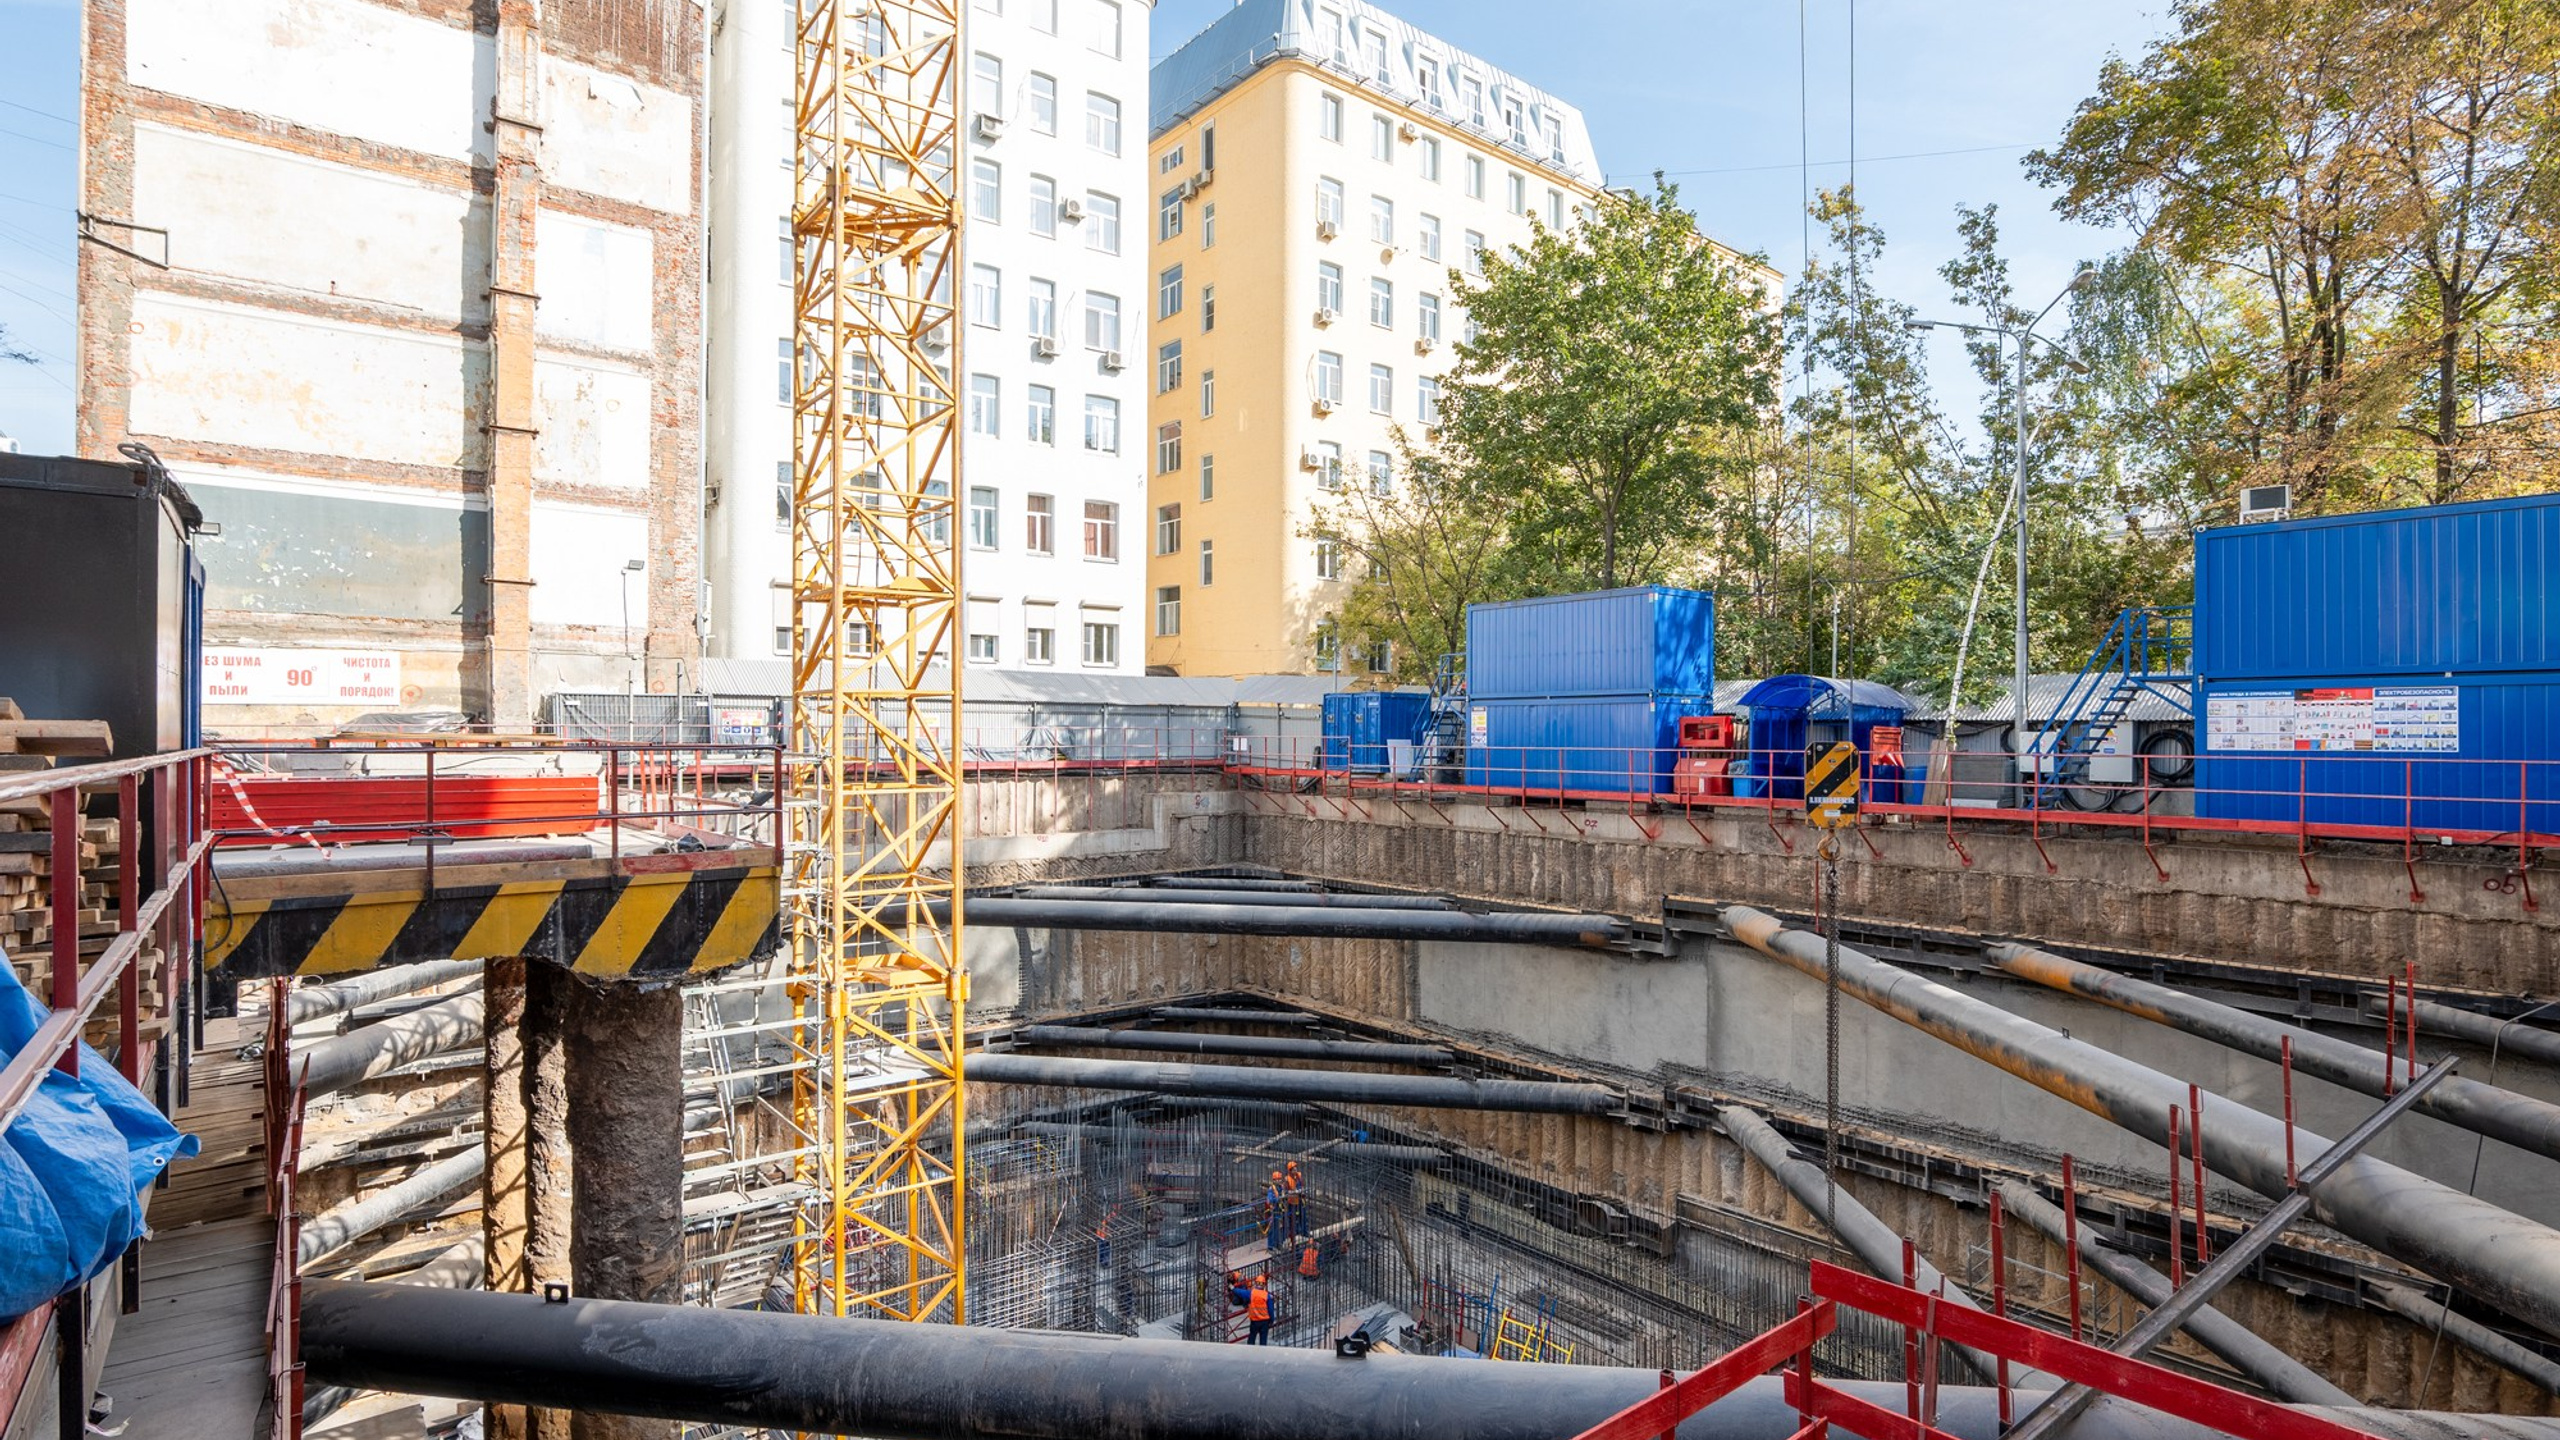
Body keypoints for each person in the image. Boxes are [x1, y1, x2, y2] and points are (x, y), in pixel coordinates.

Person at [1245, 1274, 1273, 1345]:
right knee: (1263, 1340)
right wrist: (1271, 1320)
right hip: (1264, 1321)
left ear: (1256, 1283)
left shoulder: (1251, 1293)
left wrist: (1233, 1289)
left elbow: (1241, 1292)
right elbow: (1270, 1310)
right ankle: (1262, 1351)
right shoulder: (1266, 1295)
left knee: (1252, 1338)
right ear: (1264, 1284)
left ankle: (1249, 1350)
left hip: (1254, 1321)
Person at [1283, 1160, 1307, 1239]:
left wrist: (1302, 1190)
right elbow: (1285, 1192)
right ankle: (1294, 1234)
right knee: (1293, 1219)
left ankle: (1304, 1232)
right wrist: (1293, 1192)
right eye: (1293, 1169)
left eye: (1296, 1168)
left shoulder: (1299, 1176)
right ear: (1290, 1171)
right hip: (1292, 1202)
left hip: (1300, 1200)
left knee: (1303, 1217)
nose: (1295, 1170)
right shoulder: (1287, 1179)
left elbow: (1303, 1185)